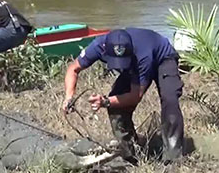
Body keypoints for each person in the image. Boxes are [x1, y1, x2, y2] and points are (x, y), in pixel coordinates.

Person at [63, 28, 184, 162]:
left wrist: (105, 101)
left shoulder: (142, 55)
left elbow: (135, 96)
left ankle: (173, 158)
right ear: (105, 51)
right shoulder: (98, 46)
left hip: (163, 58)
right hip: (136, 62)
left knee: (170, 100)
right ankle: (131, 154)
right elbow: (73, 69)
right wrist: (69, 97)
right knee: (116, 105)